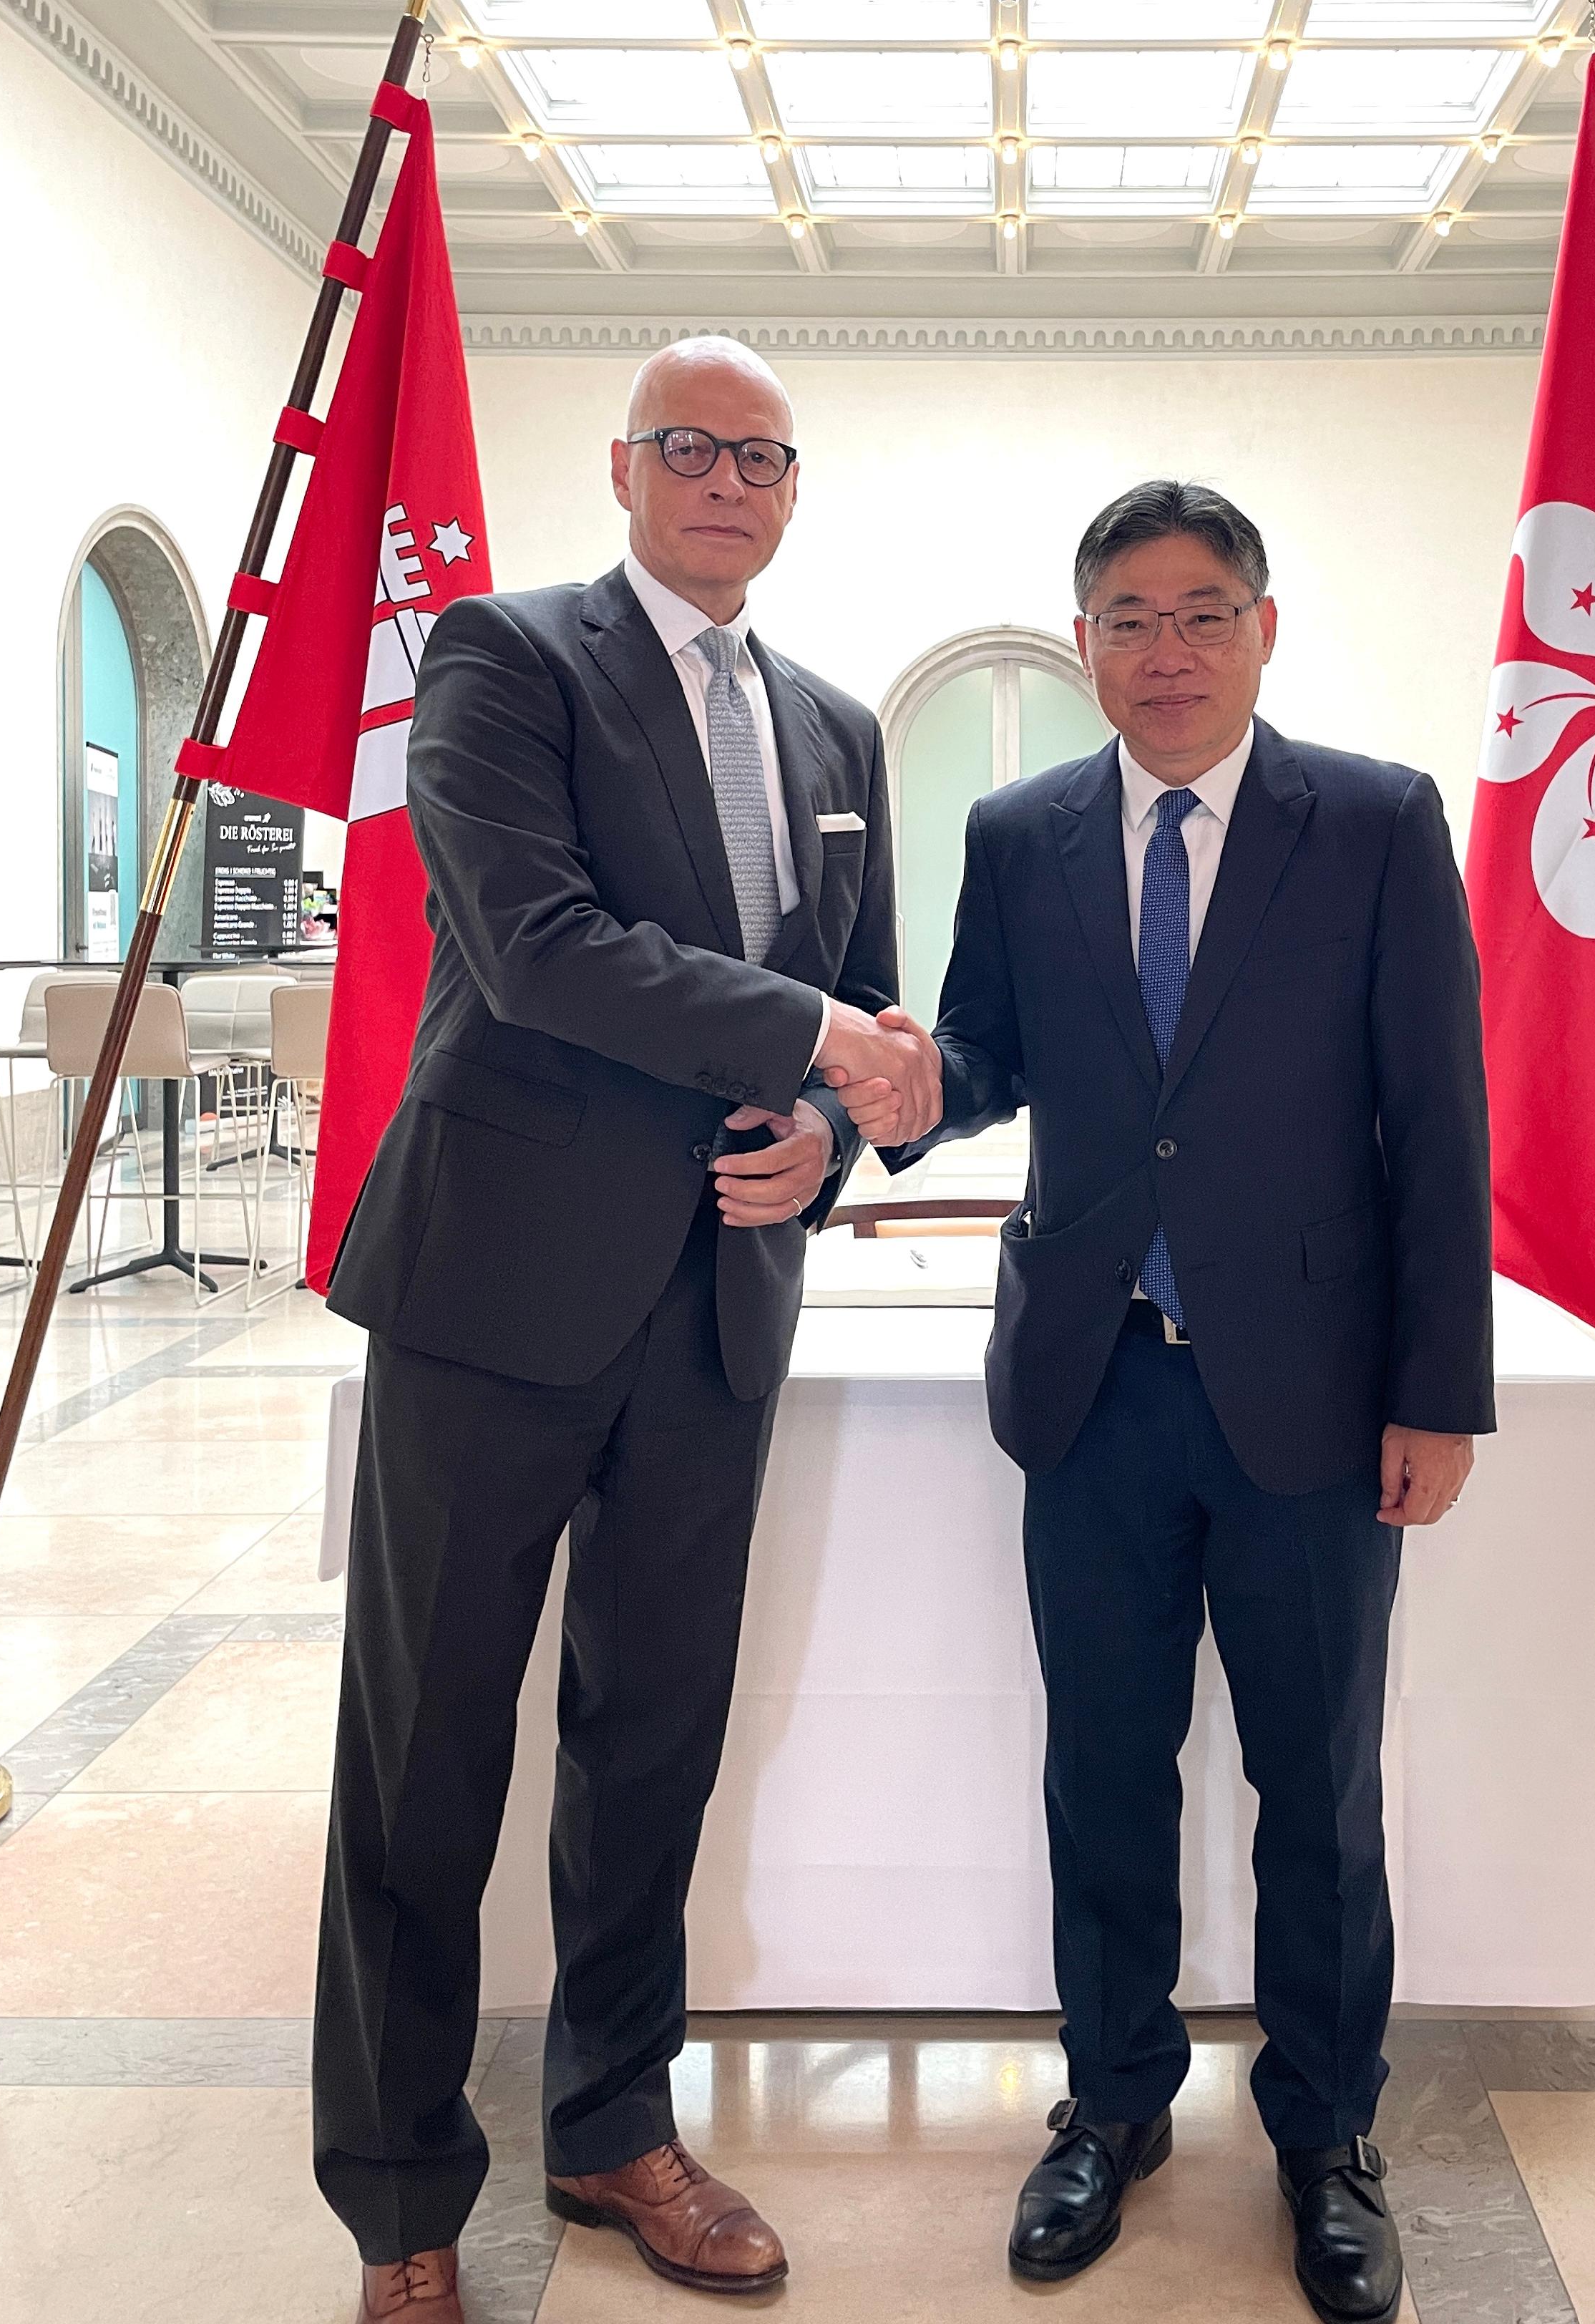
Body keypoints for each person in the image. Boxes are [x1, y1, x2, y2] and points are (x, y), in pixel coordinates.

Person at [313, 336, 942, 2324]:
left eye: (763, 456)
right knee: (423, 1757)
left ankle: (611, 2124)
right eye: (692, 446)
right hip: (493, 1290)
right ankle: (405, 2198)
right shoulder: (503, 658)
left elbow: (867, 1006)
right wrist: (825, 1044)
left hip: (714, 1312)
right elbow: (534, 944)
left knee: (649, 1740)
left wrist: (829, 1135)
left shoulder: (841, 732)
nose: (728, 480)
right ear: (623, 466)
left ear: (788, 488)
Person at [830, 480, 1492, 2324]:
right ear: (1087, 642)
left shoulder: (1370, 822)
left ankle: (1325, 2132)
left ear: (1265, 629)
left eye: (1205, 612)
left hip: (1310, 1400)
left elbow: (1441, 1128)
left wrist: (1441, 1393)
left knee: (1320, 1795)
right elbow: (982, 1057)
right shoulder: (1023, 832)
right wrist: (904, 1084)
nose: (1170, 650)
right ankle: (1112, 2108)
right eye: (1131, 617)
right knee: (1102, 1773)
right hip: (1094, 1390)